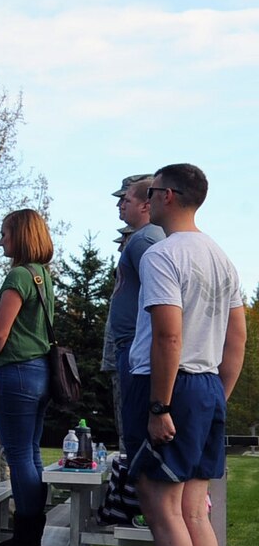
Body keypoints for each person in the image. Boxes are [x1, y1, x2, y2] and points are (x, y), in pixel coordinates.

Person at [125, 165, 244, 546]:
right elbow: (237, 338)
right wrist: (218, 395)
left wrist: (160, 406)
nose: (145, 199)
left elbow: (168, 334)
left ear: (168, 196)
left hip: (168, 387)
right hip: (207, 386)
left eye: (149, 192)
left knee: (162, 506)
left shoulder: (162, 255)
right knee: (195, 510)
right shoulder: (221, 257)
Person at [0, 208, 56, 546]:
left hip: (15, 373)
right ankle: (30, 536)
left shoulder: (18, 277)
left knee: (19, 454)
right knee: (32, 453)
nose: (0, 239)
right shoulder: (43, 277)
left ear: (21, 235)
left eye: (5, 232)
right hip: (40, 372)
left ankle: (25, 541)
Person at [104, 175, 164, 461]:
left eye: (126, 199)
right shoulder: (142, 239)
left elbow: (164, 296)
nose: (120, 205)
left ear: (145, 204)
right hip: (131, 345)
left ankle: (136, 498)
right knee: (130, 430)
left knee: (136, 435)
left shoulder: (146, 241)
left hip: (137, 347)